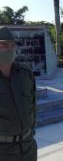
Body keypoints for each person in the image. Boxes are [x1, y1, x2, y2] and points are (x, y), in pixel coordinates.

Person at [0, 26, 37, 161]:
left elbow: (33, 104)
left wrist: (31, 131)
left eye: (12, 45)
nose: (9, 48)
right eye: (4, 45)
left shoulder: (25, 73)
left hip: (28, 147)